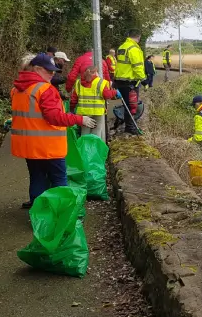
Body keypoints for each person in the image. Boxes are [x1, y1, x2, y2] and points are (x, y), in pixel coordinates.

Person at [11, 53, 96, 209]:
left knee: (37, 177)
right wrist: (79, 119)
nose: (52, 74)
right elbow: (55, 118)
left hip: (29, 145)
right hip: (49, 146)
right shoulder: (45, 89)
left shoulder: (17, 89)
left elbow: (26, 116)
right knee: (59, 180)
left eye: (53, 71)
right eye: (48, 71)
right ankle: (61, 214)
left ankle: (38, 213)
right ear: (36, 69)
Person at [70, 66, 119, 141]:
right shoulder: (100, 82)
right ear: (95, 73)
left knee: (85, 133)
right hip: (97, 113)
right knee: (96, 133)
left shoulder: (78, 83)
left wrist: (72, 109)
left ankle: (84, 151)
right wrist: (115, 92)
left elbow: (74, 98)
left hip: (84, 113)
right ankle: (95, 151)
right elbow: (107, 95)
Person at [115, 29, 146, 135]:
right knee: (132, 105)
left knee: (126, 105)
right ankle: (130, 127)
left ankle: (128, 125)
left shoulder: (122, 47)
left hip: (120, 81)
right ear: (139, 37)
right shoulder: (134, 49)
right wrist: (143, 79)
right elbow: (137, 66)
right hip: (130, 82)